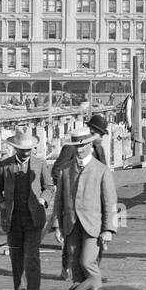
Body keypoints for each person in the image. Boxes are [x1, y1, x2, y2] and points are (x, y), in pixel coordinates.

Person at [49, 126, 118, 290]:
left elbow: (110, 202)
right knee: (76, 268)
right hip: (71, 225)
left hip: (93, 226)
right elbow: (59, 201)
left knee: (87, 262)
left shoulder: (101, 170)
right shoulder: (66, 171)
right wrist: (57, 226)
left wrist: (108, 229)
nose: (79, 150)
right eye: (76, 147)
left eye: (83, 146)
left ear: (90, 145)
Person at [0, 131, 54, 290]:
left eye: (29, 149)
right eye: (22, 149)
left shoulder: (40, 165)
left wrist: (43, 199)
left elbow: (49, 187)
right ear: (16, 148)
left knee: (32, 258)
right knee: (16, 259)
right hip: (12, 220)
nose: (26, 152)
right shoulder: (4, 166)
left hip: (34, 220)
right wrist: (1, 203)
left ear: (32, 148)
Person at [53, 113, 110, 280]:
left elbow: (103, 173)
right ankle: (69, 269)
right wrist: (69, 187)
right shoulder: (71, 148)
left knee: (95, 245)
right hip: (73, 206)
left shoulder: (98, 149)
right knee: (72, 246)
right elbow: (57, 170)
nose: (101, 138)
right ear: (92, 132)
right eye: (100, 134)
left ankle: (93, 273)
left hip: (94, 206)